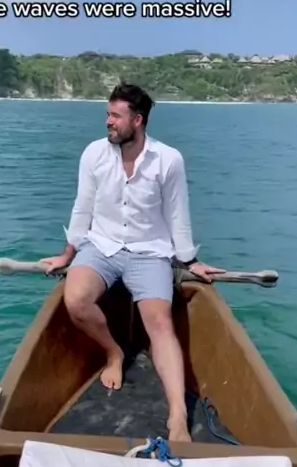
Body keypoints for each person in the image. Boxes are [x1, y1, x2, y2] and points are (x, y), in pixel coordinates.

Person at [43, 82, 224, 442]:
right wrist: (68, 254)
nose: (108, 121)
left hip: (150, 252)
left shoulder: (168, 160)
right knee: (76, 300)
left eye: (115, 116)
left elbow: (177, 214)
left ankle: (177, 415)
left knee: (160, 323)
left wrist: (190, 260)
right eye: (108, 114)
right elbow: (82, 207)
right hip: (102, 246)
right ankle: (114, 353)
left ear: (137, 120)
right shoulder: (94, 154)